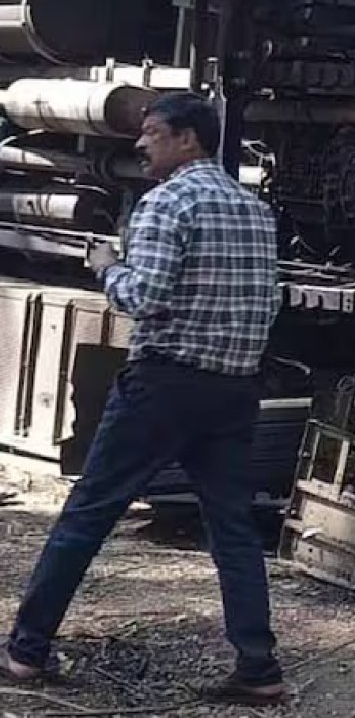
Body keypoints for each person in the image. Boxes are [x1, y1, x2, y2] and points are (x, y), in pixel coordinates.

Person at [0, 92, 284, 705]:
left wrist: (106, 265)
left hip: (164, 384)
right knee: (233, 529)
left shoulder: (166, 203)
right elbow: (270, 302)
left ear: (188, 139)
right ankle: (259, 668)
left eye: (152, 133)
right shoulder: (255, 210)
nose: (140, 143)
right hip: (234, 389)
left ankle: (26, 651)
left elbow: (144, 297)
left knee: (88, 514)